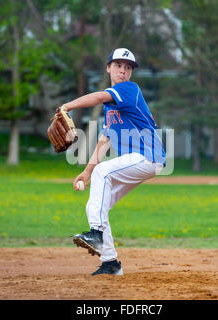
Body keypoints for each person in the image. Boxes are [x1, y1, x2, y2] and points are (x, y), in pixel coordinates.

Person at [61, 48, 166, 276]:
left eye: (128, 67)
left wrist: (67, 106)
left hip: (148, 156)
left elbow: (98, 96)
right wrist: (86, 173)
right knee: (96, 206)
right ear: (108, 68)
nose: (123, 70)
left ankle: (96, 235)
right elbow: (104, 140)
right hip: (137, 160)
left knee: (104, 172)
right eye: (118, 65)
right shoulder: (112, 107)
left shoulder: (129, 89)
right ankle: (110, 263)